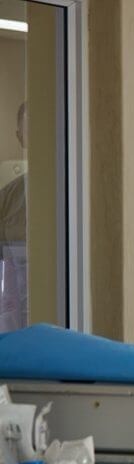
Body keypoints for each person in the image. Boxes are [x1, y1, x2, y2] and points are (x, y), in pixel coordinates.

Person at [0, 102, 27, 332]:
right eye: (30, 132)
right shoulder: (7, 198)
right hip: (16, 316)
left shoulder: (71, 198)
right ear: (20, 137)